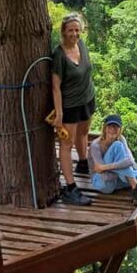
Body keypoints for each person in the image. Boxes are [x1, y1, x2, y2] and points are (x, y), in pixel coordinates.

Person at [52, 12, 94, 206]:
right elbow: (55, 86)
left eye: (77, 30)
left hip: (87, 99)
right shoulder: (59, 55)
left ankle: (83, 164)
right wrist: (59, 113)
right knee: (66, 145)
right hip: (69, 106)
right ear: (63, 32)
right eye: (70, 30)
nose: (74, 34)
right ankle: (70, 188)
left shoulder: (82, 46)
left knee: (84, 132)